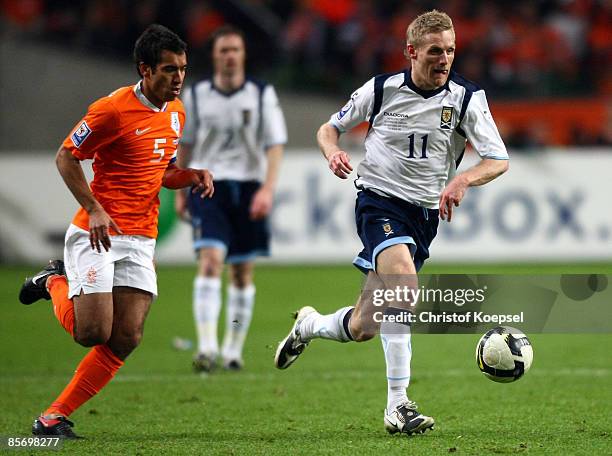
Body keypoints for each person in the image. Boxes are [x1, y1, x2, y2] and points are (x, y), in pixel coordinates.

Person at [275, 10, 509, 436]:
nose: (444, 59)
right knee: (404, 282)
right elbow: (330, 128)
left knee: (364, 327)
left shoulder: (467, 99)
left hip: (422, 217)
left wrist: (463, 179)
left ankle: (308, 325)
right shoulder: (381, 90)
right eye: (435, 50)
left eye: (451, 50)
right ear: (411, 51)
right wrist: (332, 152)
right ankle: (398, 406)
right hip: (379, 202)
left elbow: (498, 159)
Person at [18, 24, 213, 438]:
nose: (178, 78)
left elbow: (161, 173)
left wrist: (190, 175)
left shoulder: (176, 113)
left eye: (183, 69)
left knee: (126, 336)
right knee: (91, 333)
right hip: (98, 233)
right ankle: (53, 279)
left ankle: (51, 418)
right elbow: (66, 157)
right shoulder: (110, 110)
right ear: (145, 69)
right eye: (168, 70)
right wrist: (94, 209)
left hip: (141, 238)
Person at [176, 25, 286, 372]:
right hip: (207, 185)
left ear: (243, 55)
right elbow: (185, 145)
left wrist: (267, 189)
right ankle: (206, 347)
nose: (229, 56)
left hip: (249, 188)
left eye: (234, 50)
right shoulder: (195, 96)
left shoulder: (260, 93)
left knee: (241, 271)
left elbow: (274, 144)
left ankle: (232, 350)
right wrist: (180, 188)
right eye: (223, 50)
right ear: (214, 56)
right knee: (210, 260)